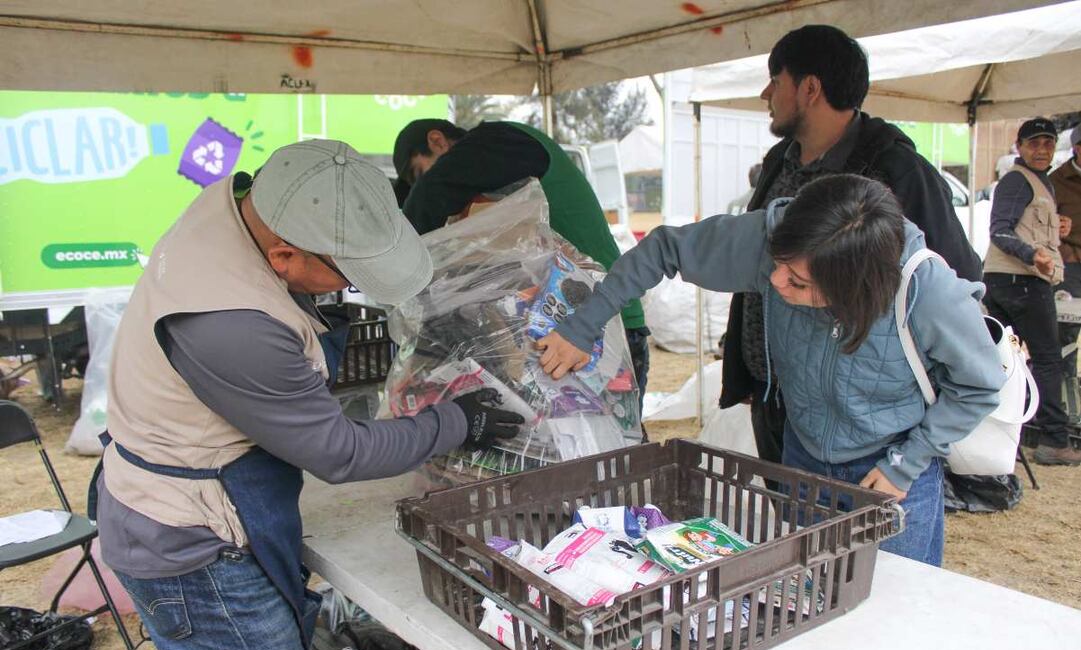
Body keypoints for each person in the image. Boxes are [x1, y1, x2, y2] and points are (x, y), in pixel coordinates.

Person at [93, 139, 524, 650]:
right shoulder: (232, 325)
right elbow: (340, 453)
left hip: (191, 503)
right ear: (283, 255)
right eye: (351, 277)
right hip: (196, 554)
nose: (352, 288)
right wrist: (457, 420)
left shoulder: (236, 209)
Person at [536, 174, 1004, 565]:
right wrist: (582, 327)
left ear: (854, 288)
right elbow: (663, 249)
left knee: (898, 607)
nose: (776, 281)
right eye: (778, 264)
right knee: (812, 594)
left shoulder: (927, 291)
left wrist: (908, 463)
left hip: (892, 471)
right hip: (804, 461)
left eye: (798, 282)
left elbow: (979, 386)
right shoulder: (776, 240)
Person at [719, 25, 982, 468]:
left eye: (775, 80)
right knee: (787, 512)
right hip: (775, 397)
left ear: (809, 88)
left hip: (860, 427)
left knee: (855, 518)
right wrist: (745, 364)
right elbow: (762, 262)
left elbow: (958, 278)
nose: (766, 93)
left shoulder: (896, 170)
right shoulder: (779, 162)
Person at [392, 119, 652, 406]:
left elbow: (431, 191)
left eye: (419, 172)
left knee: (610, 433)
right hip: (564, 326)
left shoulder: (503, 141)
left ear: (437, 141)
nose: (420, 182)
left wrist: (398, 263)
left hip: (603, 324)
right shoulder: (498, 170)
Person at [984, 118, 1081, 466]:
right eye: (1034, 143)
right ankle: (1054, 440)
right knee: (1047, 359)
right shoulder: (1017, 180)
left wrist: (1058, 230)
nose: (1042, 150)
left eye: (1048, 143)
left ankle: (994, 430)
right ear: (1019, 146)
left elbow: (1027, 226)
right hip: (1021, 281)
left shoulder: (1040, 181)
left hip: (1010, 281)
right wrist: (1032, 255)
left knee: (1001, 359)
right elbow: (1000, 230)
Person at [1051, 125, 1081, 412]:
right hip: (1071, 267)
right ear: (1076, 148)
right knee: (1066, 333)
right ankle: (1064, 398)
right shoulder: (1056, 181)